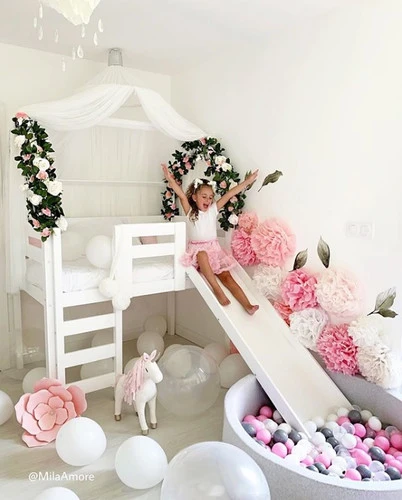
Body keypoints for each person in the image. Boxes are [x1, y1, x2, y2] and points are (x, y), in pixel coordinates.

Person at [162, 164, 259, 315]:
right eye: (204, 196)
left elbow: (229, 194)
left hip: (215, 251)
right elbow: (181, 195)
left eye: (210, 197)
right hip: (198, 252)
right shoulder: (191, 212)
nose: (208, 200)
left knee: (227, 277)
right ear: (194, 197)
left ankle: (247, 305)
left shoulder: (213, 210)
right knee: (202, 255)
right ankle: (217, 289)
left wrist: (247, 182)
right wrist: (170, 179)